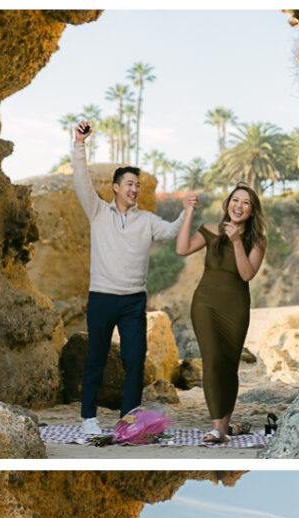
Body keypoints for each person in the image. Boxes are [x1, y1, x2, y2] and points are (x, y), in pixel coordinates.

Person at [73, 118, 186, 434]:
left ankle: (129, 422)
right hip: (102, 298)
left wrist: (187, 210)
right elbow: (81, 181)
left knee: (135, 360)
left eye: (137, 185)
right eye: (129, 184)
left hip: (134, 301)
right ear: (115, 187)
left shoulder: (147, 220)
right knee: (95, 359)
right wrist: (80, 145)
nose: (135, 189)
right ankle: (89, 421)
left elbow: (174, 230)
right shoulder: (97, 212)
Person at [176, 184, 267, 442]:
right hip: (205, 303)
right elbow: (182, 249)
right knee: (214, 360)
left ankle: (224, 427)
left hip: (236, 308)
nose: (238, 206)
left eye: (246, 202)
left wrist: (236, 241)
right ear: (227, 204)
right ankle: (216, 428)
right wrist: (188, 212)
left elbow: (247, 274)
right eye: (235, 200)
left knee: (228, 366)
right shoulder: (209, 229)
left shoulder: (257, 239)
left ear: (252, 211)